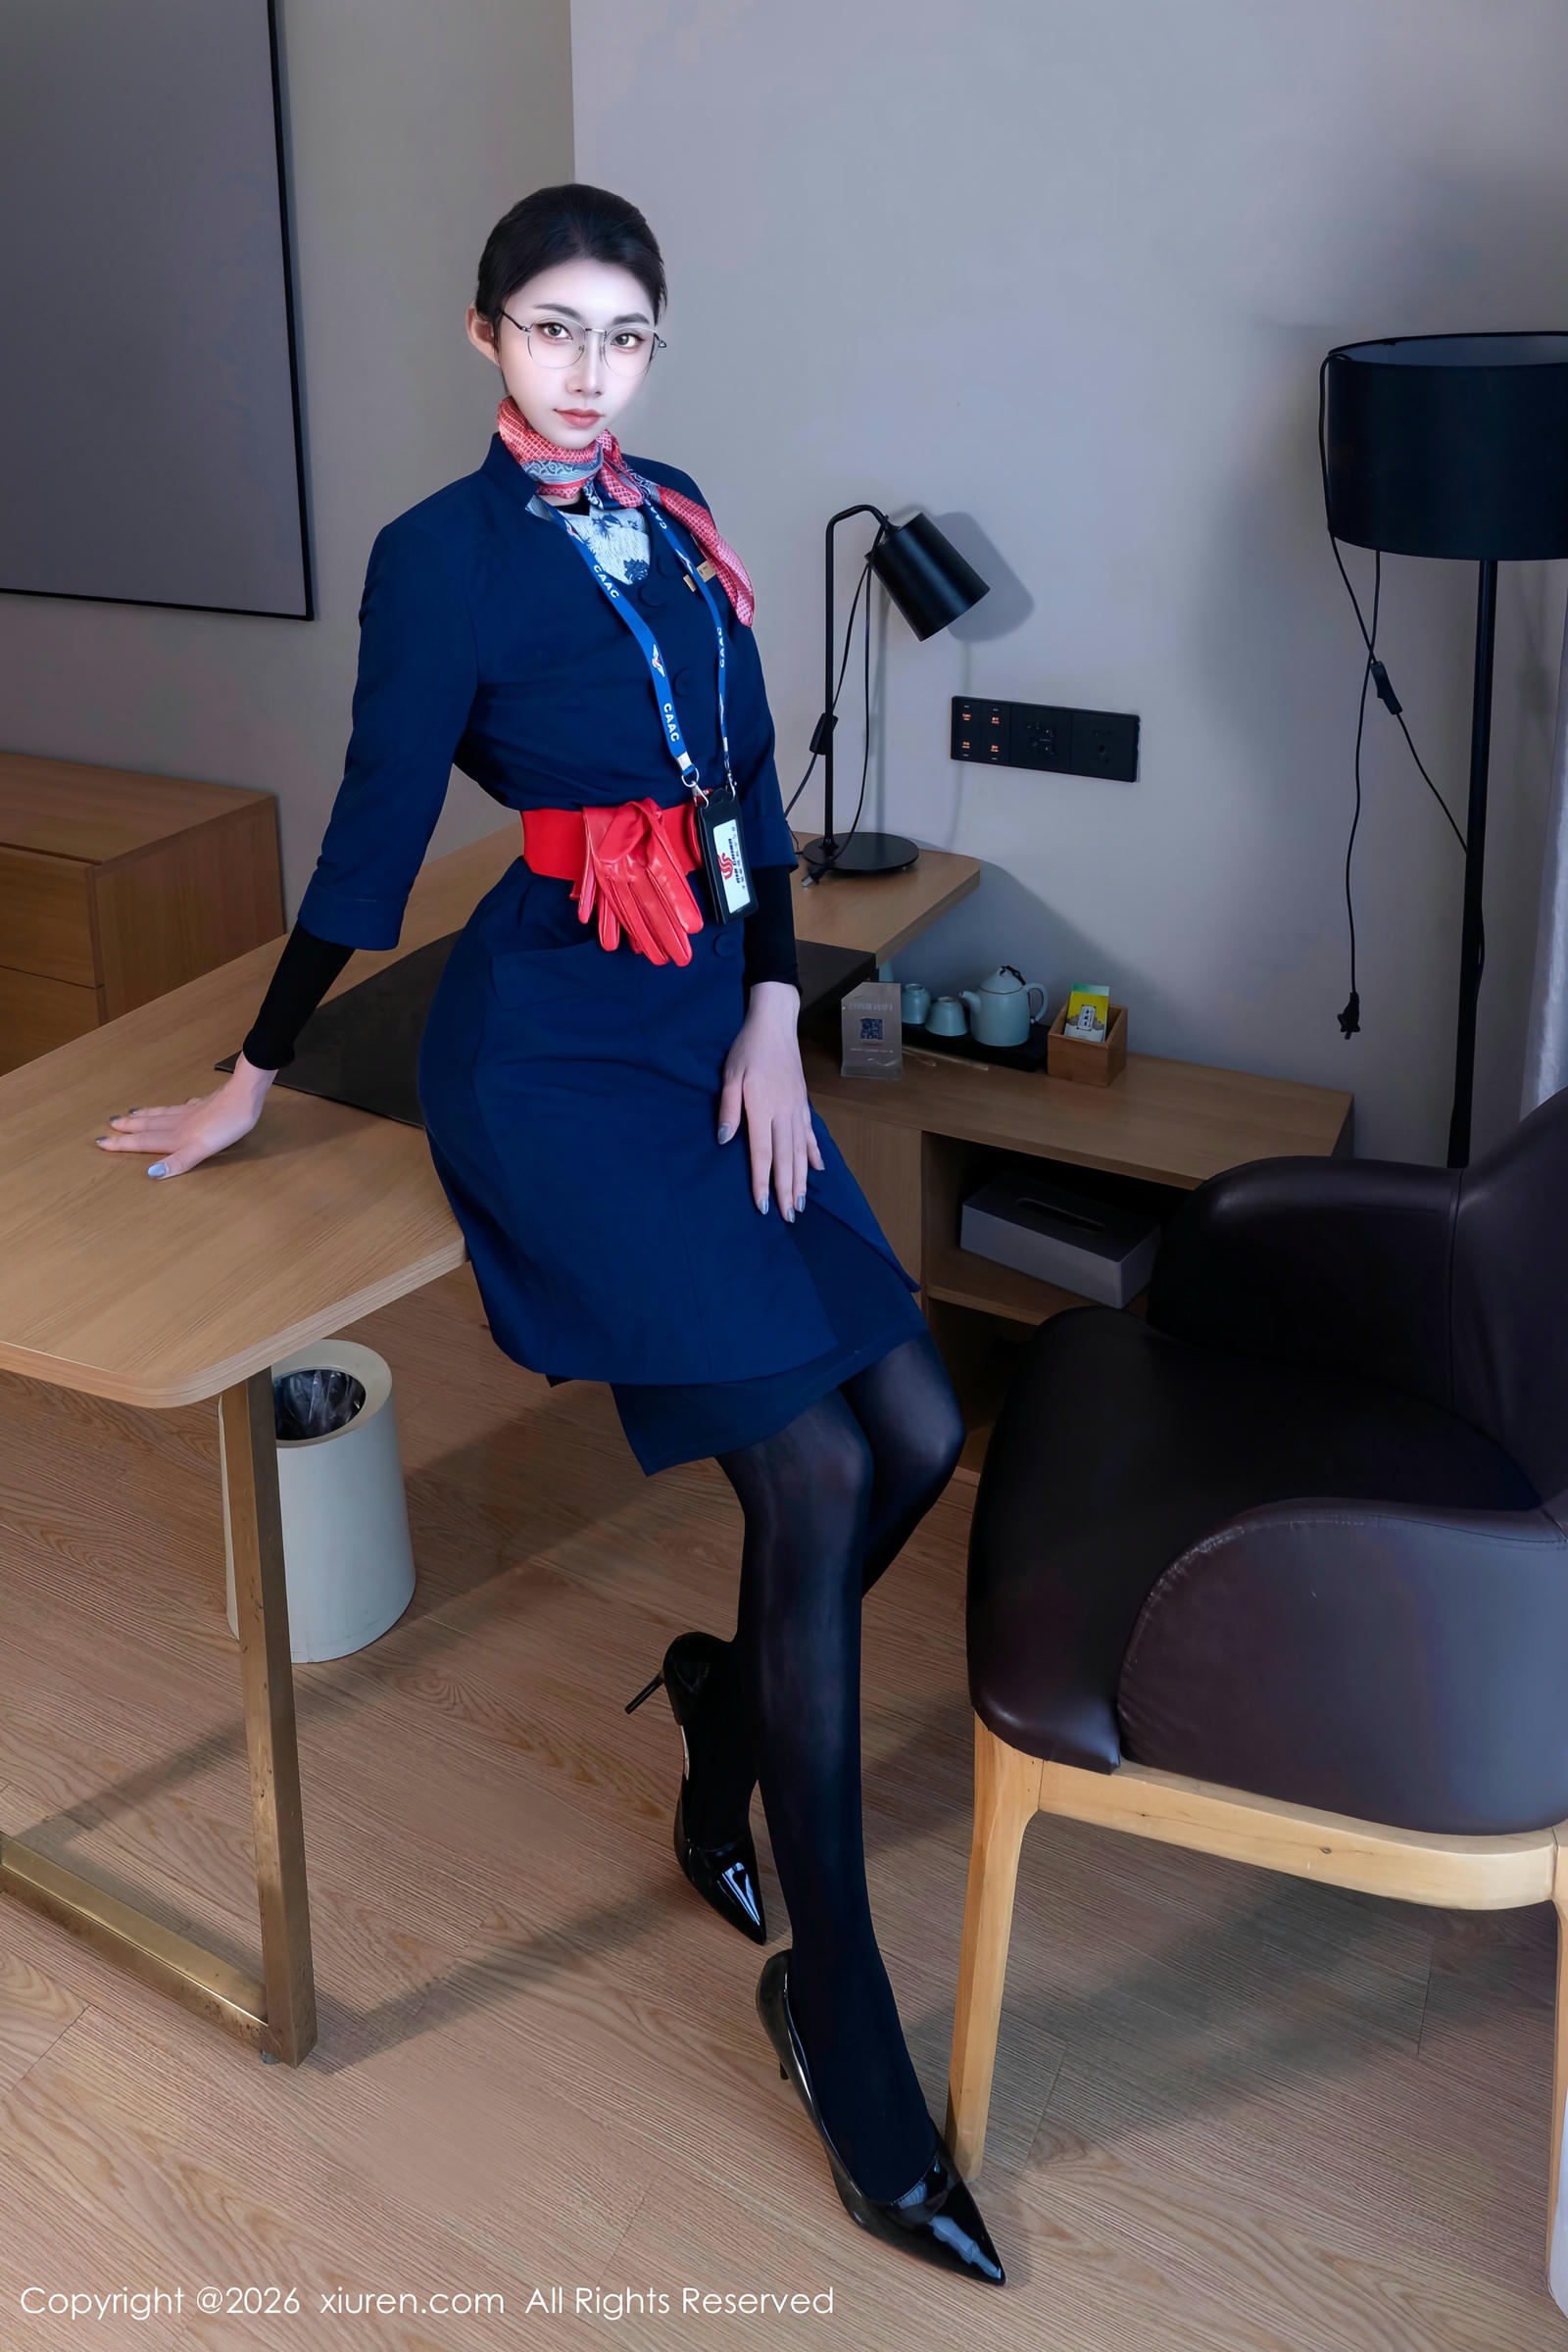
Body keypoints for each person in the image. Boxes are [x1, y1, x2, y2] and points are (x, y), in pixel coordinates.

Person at [92, 183, 1003, 2286]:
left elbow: (746, 791)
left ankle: (717, 1705)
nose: (592, 372)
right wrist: (257, 1068)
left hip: (705, 1022)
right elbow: (375, 829)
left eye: (626, 336)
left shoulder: (679, 516)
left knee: (921, 1430)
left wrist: (775, 1011)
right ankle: (843, 2028)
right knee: (811, 1472)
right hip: (554, 1052)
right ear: (486, 336)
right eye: (554, 329)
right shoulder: (440, 556)